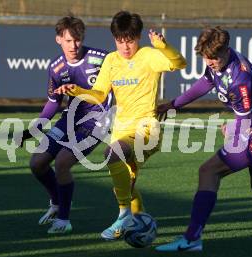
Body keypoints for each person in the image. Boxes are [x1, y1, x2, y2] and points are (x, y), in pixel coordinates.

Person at [155, 27, 252, 252]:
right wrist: (173, 104)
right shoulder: (222, 60)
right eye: (205, 57)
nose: (209, 62)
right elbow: (205, 82)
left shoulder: (239, 80)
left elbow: (244, 121)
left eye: (214, 57)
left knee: (208, 171)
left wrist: (232, 131)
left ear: (226, 51)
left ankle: (191, 239)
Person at [54, 11, 187, 240]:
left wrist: (163, 47)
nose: (125, 47)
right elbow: (99, 94)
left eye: (130, 41)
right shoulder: (112, 60)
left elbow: (179, 63)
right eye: (120, 41)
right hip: (121, 130)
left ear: (139, 37)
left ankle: (124, 214)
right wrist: (77, 90)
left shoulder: (148, 55)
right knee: (126, 181)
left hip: (147, 130)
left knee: (113, 154)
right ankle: (138, 223)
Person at [18, 15, 112, 234]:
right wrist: (35, 128)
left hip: (97, 121)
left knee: (62, 163)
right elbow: (53, 103)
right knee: (37, 163)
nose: (74, 45)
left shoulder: (102, 59)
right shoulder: (56, 68)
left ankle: (64, 220)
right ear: (58, 39)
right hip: (69, 119)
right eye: (69, 40)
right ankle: (56, 202)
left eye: (78, 40)